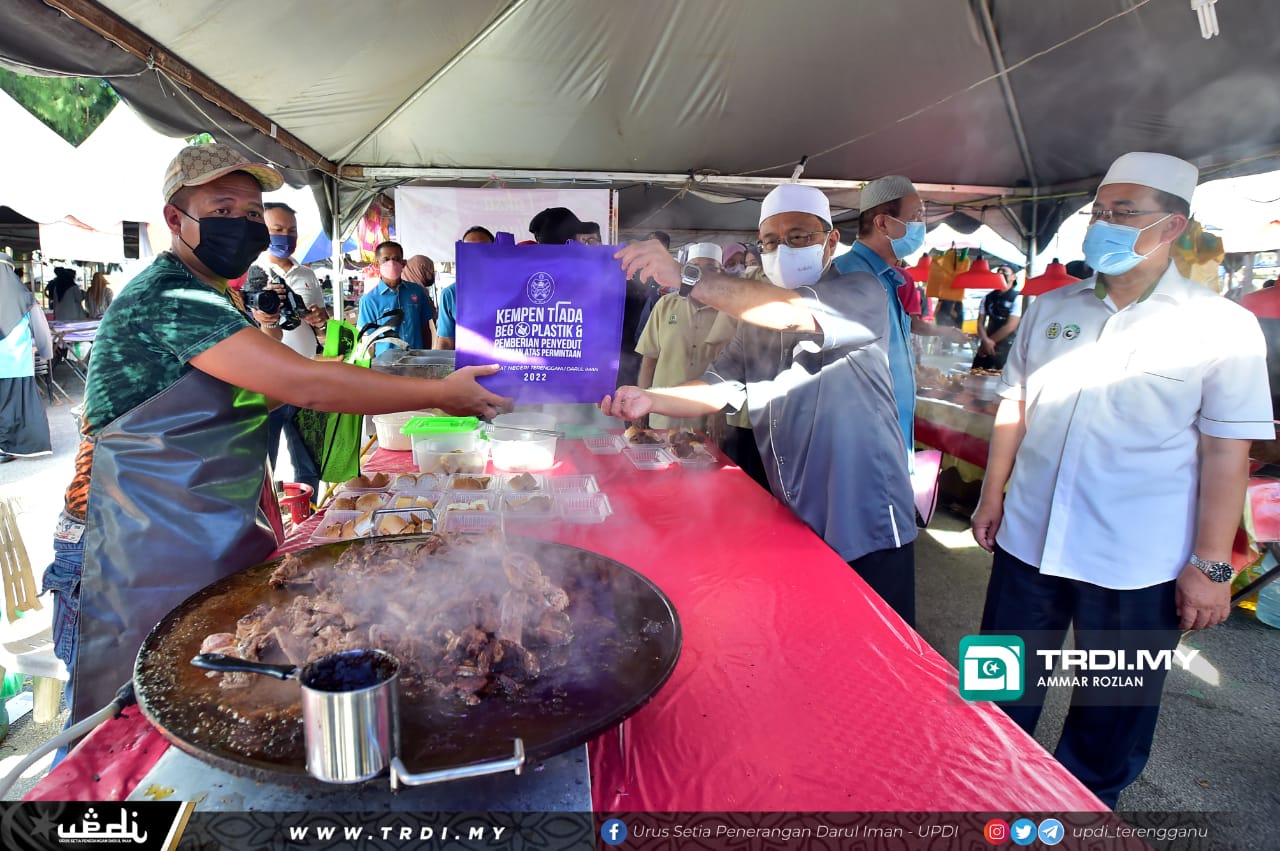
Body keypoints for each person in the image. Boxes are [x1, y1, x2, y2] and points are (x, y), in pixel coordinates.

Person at [41, 143, 511, 727]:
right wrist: (441, 393)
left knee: (207, 701)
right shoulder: (170, 295)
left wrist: (387, 375)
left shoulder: (219, 296)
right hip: (123, 542)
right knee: (121, 728)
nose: (241, 221)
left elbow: (272, 388)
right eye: (222, 207)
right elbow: (303, 385)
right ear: (174, 219)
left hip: (191, 533)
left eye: (250, 210)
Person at [970, 152, 1273, 807]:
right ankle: (987, 792)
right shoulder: (1050, 310)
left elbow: (1227, 451)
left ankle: (1080, 812)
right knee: (997, 686)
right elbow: (1014, 407)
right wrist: (992, 494)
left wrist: (1211, 565)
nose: (1102, 224)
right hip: (1029, 540)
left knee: (1113, 714)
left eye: (1123, 213)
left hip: (1140, 561)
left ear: (1172, 226)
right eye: (1098, 212)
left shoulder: (1220, 326)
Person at [601, 184, 918, 624]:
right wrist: (648, 398)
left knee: (881, 657)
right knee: (812, 640)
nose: (781, 250)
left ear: (831, 242)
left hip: (864, 520)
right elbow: (718, 386)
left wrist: (686, 276)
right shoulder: (753, 326)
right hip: (793, 514)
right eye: (769, 242)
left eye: (798, 236)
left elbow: (791, 311)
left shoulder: (862, 292)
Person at [833, 175, 967, 466]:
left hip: (891, 429)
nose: (922, 225)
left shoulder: (892, 278)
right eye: (915, 216)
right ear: (882, 223)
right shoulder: (846, 276)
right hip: (862, 437)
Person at [254, 201, 328, 497]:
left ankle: (306, 517)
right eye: (277, 230)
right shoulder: (251, 274)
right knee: (264, 464)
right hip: (266, 384)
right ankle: (268, 522)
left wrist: (320, 321)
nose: (285, 236)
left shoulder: (307, 275)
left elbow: (323, 329)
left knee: (309, 461)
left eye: (291, 231)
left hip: (306, 378)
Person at [635, 242, 738, 431]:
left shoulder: (730, 312)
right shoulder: (665, 305)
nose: (704, 274)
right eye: (695, 268)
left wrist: (718, 413)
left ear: (721, 272)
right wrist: (641, 404)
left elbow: (731, 370)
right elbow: (649, 360)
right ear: (685, 272)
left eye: (711, 268)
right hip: (662, 416)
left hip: (705, 419)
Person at [0, 252, 53, 462]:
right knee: (15, 407)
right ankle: (9, 447)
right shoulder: (25, 297)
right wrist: (47, 354)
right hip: (16, 364)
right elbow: (41, 330)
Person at [357, 240, 434, 355]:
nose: (392, 263)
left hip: (416, 361)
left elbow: (425, 329)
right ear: (377, 265)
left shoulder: (417, 291)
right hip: (385, 365)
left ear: (403, 263)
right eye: (386, 259)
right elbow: (369, 340)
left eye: (396, 259)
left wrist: (425, 357)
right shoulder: (369, 300)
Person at [434, 226, 495, 351]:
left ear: (495, 251)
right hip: (468, 366)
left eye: (483, 248)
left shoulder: (512, 289)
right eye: (469, 249)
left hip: (507, 365)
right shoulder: (450, 294)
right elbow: (446, 342)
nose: (476, 253)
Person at [971, 264, 1022, 370]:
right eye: (998, 271)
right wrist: (985, 340)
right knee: (976, 373)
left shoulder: (1017, 298)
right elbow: (980, 323)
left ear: (1014, 277)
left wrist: (990, 342)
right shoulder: (988, 298)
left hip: (1007, 346)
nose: (1000, 273)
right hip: (986, 343)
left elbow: (1011, 325)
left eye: (1004, 271)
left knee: (1003, 378)